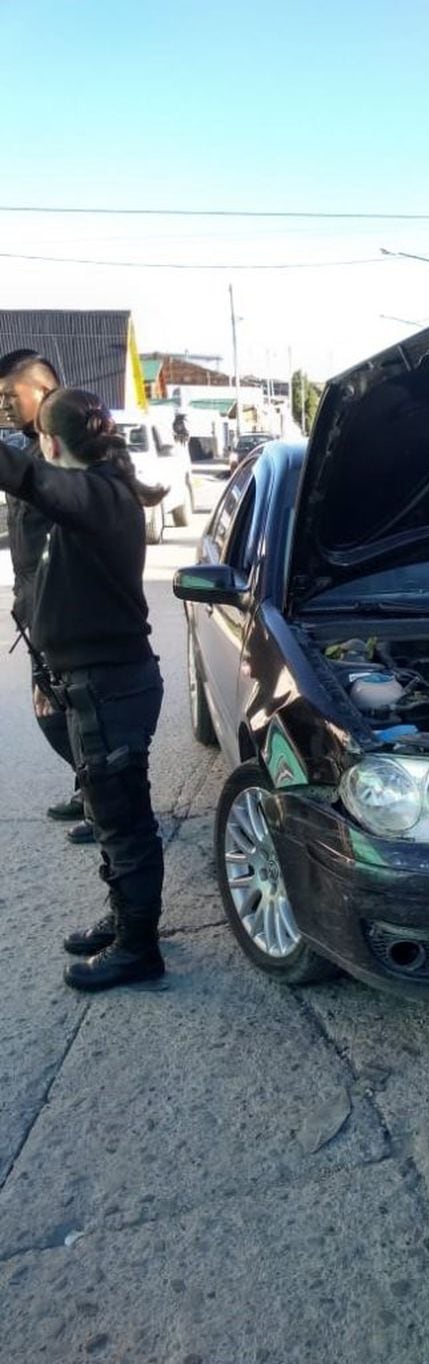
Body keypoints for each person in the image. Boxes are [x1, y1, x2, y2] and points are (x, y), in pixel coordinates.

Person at [0, 388, 166, 991]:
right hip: (96, 682)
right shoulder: (97, 496)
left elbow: (25, 479)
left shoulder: (98, 496)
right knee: (109, 813)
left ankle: (138, 947)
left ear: (50, 442)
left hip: (111, 686)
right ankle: (126, 920)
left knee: (125, 823)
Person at [0, 350, 96, 845]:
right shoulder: (32, 451)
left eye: (9, 395)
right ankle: (91, 789)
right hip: (33, 608)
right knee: (54, 713)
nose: (3, 406)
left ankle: (106, 802)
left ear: (42, 389)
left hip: (63, 611)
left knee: (69, 716)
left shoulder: (64, 459)